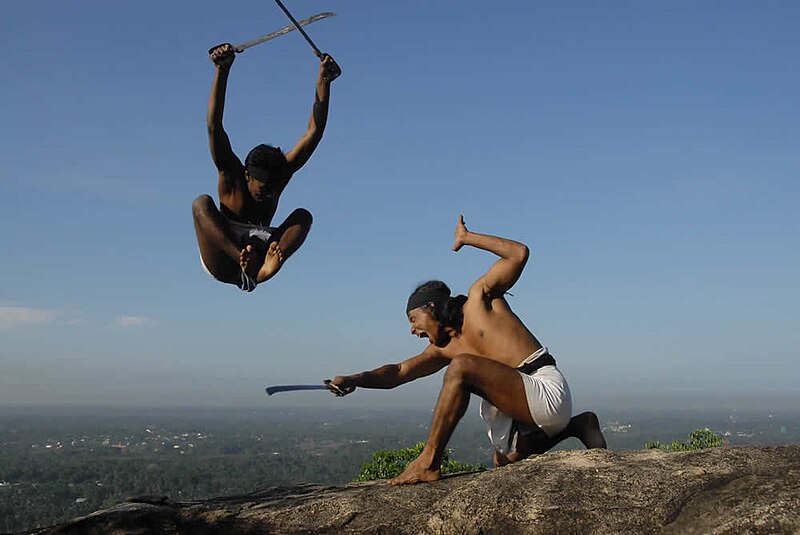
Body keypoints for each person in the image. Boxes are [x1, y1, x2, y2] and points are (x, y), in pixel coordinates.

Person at [329, 216, 607, 485]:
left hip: (544, 388)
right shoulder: (443, 348)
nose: (412, 330)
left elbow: (518, 254)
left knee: (462, 367)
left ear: (433, 308)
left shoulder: (479, 300)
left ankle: (429, 462)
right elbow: (400, 372)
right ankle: (578, 425)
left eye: (413, 320)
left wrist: (467, 238)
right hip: (526, 407)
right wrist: (356, 379)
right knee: (503, 460)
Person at [192, 43, 340, 292]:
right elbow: (214, 125)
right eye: (264, 189)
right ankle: (244, 262)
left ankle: (263, 269)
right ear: (247, 175)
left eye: (273, 188)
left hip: (262, 247)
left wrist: (324, 82)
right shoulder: (230, 173)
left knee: (303, 216)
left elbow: (314, 132)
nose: (270, 193)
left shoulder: (282, 173)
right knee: (201, 204)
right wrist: (222, 70)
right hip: (223, 251)